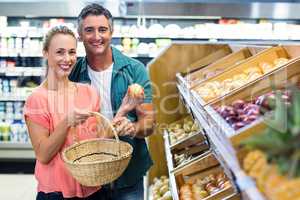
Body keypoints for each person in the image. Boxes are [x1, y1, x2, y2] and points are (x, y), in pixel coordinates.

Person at [69, 3, 156, 200]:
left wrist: (132, 128)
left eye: (102, 29)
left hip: (128, 175)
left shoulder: (134, 70)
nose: (97, 36)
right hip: (87, 174)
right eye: (89, 30)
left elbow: (149, 124)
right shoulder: (72, 72)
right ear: (80, 34)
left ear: (111, 32)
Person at [24, 25, 104, 200]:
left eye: (72, 52)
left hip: (92, 188)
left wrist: (124, 112)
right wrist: (67, 122)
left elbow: (97, 141)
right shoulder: (38, 99)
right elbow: (43, 154)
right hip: (56, 193)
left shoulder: (89, 92)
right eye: (60, 52)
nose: (67, 59)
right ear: (46, 53)